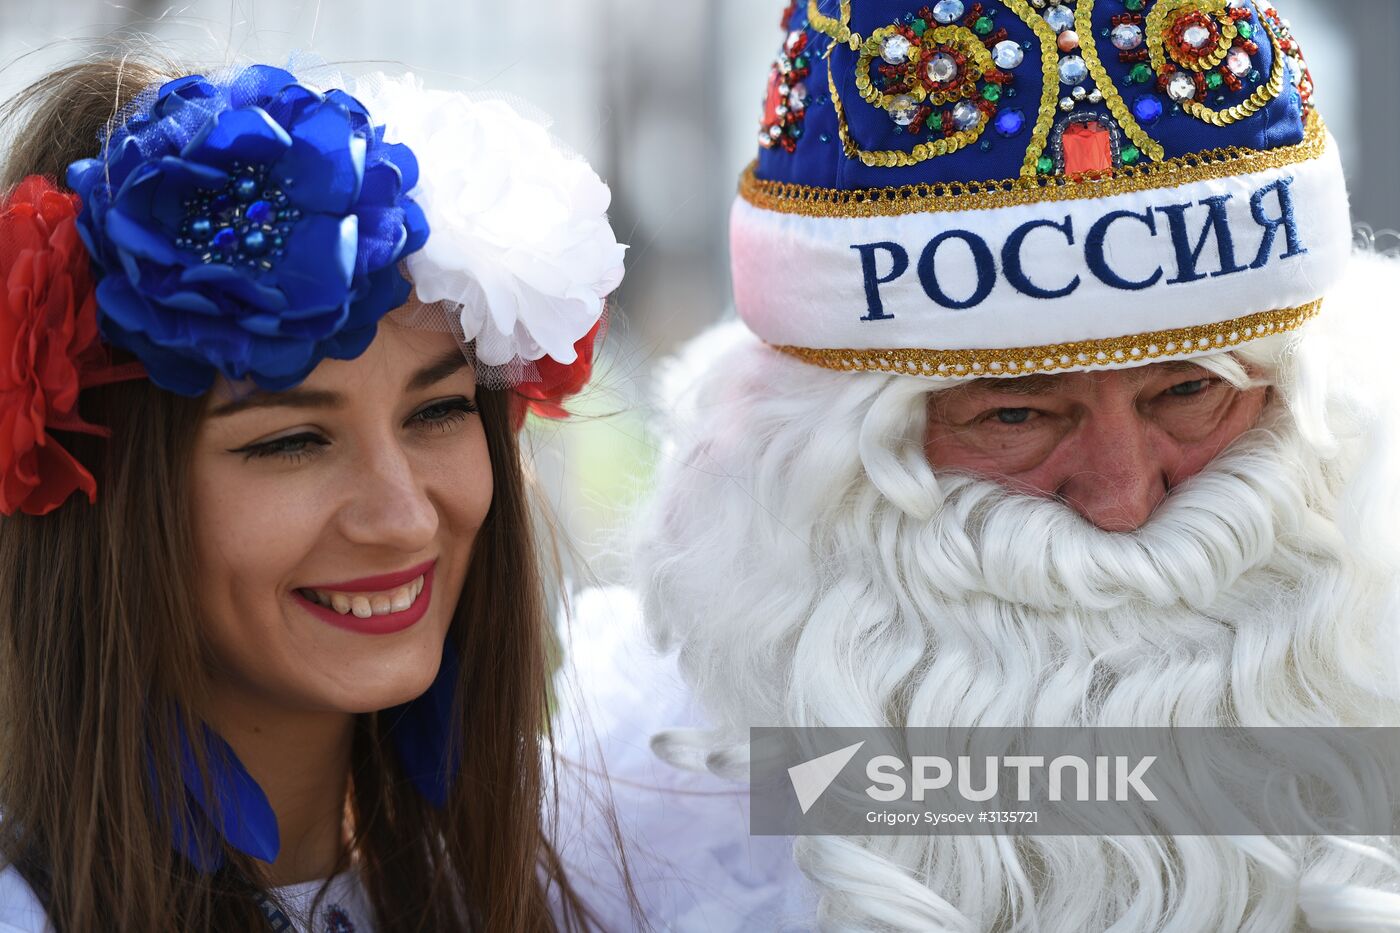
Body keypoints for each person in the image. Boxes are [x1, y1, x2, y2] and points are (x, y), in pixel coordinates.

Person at [566, 0, 1400, 929]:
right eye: (1015, 414)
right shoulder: (605, 852)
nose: (1123, 500)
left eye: (1188, 392)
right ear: (825, 463)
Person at [0, 55, 626, 931]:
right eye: (292, 440)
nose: (404, 516)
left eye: (439, 411)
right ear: (97, 489)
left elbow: (824, 800)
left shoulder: (591, 859)